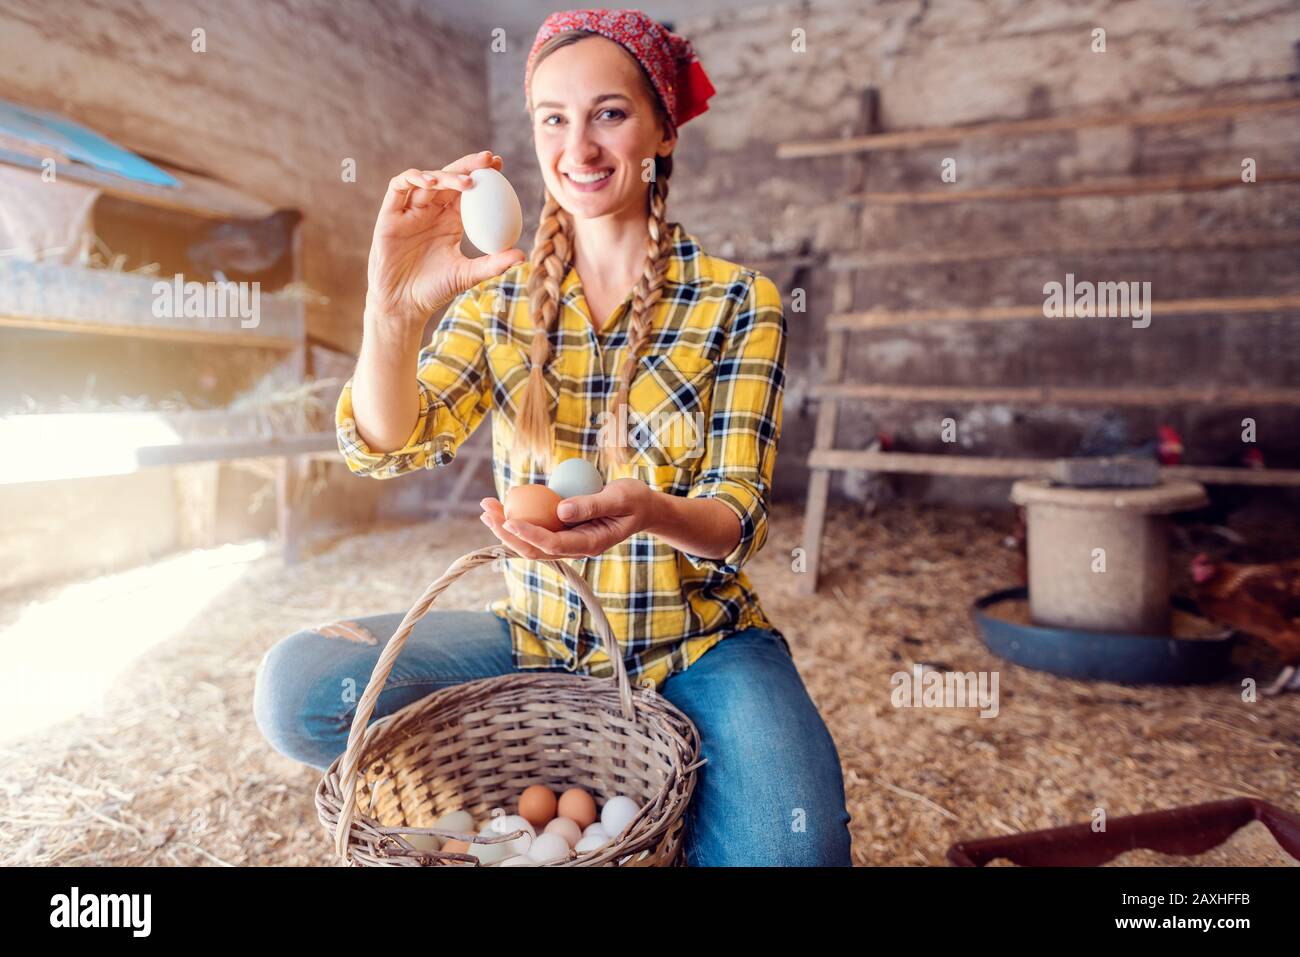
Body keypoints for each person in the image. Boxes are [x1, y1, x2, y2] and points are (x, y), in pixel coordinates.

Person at [254, 8, 852, 867]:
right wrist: (391, 311)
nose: (580, 146)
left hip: (700, 646)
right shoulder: (498, 300)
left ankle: (663, 788)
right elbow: (388, 445)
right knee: (299, 689)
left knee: (797, 855)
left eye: (609, 113)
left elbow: (738, 519)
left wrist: (647, 510)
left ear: (661, 131)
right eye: (553, 118)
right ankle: (574, 778)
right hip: (536, 636)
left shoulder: (736, 301)